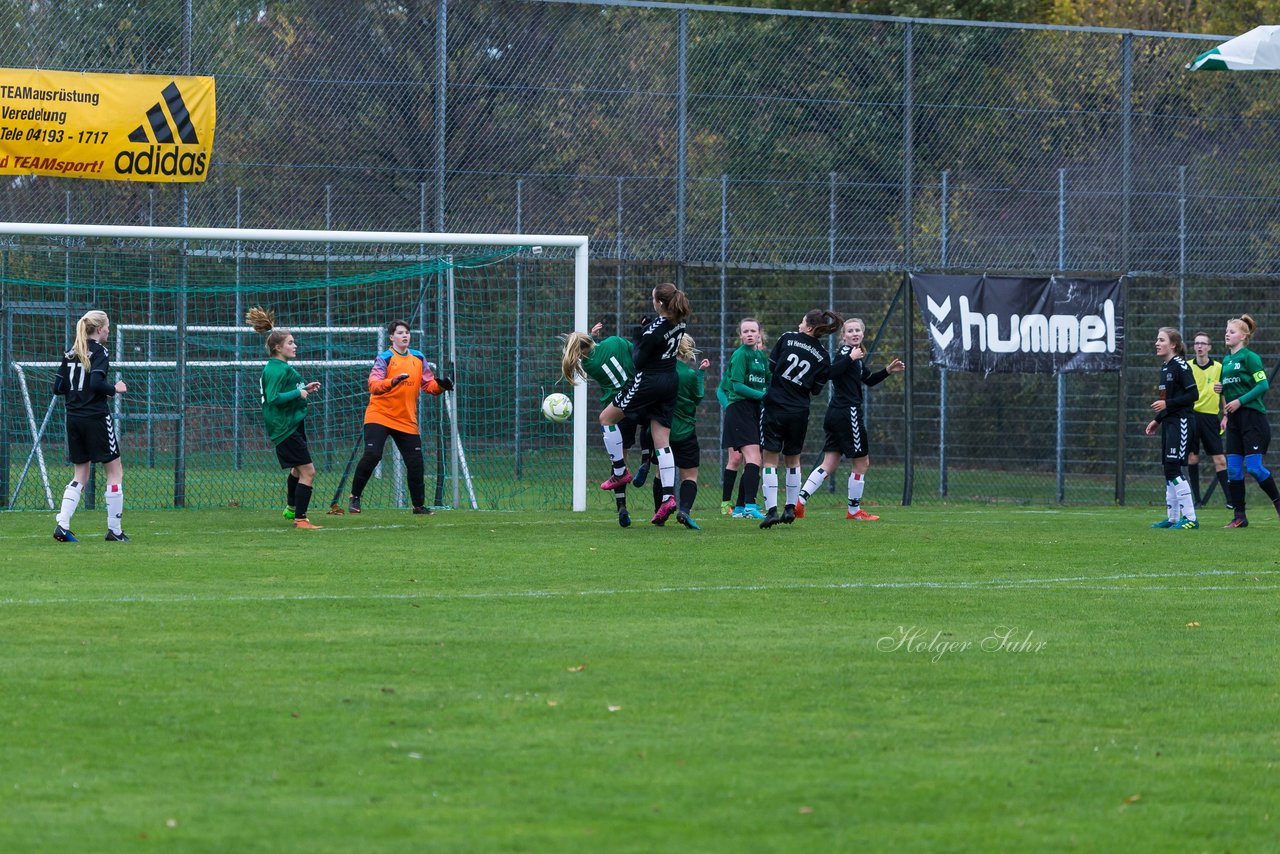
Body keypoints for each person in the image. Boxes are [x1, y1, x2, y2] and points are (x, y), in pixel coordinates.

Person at [597, 282, 691, 525]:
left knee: (606, 419)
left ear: (659, 302)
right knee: (663, 442)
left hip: (649, 381)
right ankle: (669, 497)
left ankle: (620, 471)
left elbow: (639, 360)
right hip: (671, 382)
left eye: (653, 298)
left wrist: (639, 334)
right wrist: (648, 328)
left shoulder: (652, 330)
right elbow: (660, 336)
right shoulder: (679, 321)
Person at [796, 317, 904, 521]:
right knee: (862, 463)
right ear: (843, 336)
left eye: (857, 330)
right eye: (850, 330)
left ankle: (799, 503)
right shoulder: (846, 354)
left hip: (836, 414)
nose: (854, 333)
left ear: (863, 334)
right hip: (848, 413)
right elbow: (830, 373)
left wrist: (888, 371)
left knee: (829, 463)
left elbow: (868, 380)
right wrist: (850, 358)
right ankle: (854, 511)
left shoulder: (856, 357)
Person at [347, 318, 453, 516]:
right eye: (400, 333)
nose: (405, 335)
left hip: (406, 419)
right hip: (380, 414)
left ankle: (418, 506)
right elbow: (373, 385)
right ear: (391, 337)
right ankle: (354, 497)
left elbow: (428, 385)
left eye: (407, 332)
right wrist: (393, 381)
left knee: (415, 462)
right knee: (373, 455)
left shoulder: (418, 358)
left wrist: (441, 386)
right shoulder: (385, 358)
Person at [758, 309, 843, 529]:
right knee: (793, 460)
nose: (799, 323)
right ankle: (790, 507)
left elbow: (772, 367)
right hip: (798, 411)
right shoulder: (823, 356)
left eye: (802, 321)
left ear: (810, 327)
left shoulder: (787, 339)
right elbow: (815, 390)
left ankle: (771, 511)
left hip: (775, 406)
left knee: (769, 460)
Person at [52, 310, 129, 542]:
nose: (108, 330)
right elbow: (96, 382)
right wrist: (114, 389)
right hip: (95, 418)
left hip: (74, 418)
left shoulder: (71, 351)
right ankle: (114, 531)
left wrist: (83, 393)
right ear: (98, 329)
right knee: (115, 472)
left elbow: (58, 387)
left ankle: (62, 525)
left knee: (81, 474)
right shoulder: (100, 351)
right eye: (107, 326)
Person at [247, 306, 324, 530]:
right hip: (284, 427)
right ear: (277, 347)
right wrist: (297, 393)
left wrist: (305, 389)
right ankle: (301, 519)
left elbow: (287, 391)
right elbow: (273, 398)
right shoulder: (275, 369)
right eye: (290, 342)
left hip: (292, 424)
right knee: (309, 472)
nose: (295, 345)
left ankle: (292, 509)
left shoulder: (281, 367)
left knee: (296, 470)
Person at [561, 321, 640, 527]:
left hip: (616, 410)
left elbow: (590, 353)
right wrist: (592, 337)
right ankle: (648, 466)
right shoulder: (615, 341)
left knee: (619, 460)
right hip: (639, 397)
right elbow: (635, 352)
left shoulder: (588, 365)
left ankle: (621, 506)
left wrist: (589, 338)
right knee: (655, 437)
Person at [1215, 314, 1280, 528]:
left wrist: (1239, 402)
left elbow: (1262, 386)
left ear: (1244, 336)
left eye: (1231, 331)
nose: (1227, 334)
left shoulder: (1250, 357)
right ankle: (1239, 517)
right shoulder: (1226, 360)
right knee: (1233, 470)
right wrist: (1223, 394)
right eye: (1226, 331)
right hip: (1233, 420)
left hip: (1252, 419)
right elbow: (1231, 391)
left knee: (1253, 467)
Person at [651, 335, 709, 529]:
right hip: (685, 431)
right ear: (687, 349)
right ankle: (684, 510)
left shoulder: (659, 371)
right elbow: (698, 397)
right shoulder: (689, 374)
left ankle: (660, 511)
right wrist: (701, 374)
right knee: (690, 476)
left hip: (662, 431)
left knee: (661, 472)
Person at [1144, 327, 1199, 530]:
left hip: (1182, 421)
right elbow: (1166, 401)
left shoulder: (1181, 366)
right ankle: (1173, 518)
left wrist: (1167, 406)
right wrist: (1157, 420)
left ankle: (1191, 519)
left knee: (1174, 467)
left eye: (1161, 340)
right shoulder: (1165, 368)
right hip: (1169, 422)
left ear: (1173, 345)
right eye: (1157, 339)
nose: (1157, 343)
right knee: (1168, 468)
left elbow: (1194, 396)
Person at [717, 318, 769, 520]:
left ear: (759, 334)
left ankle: (740, 508)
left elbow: (768, 382)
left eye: (753, 331)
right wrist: (763, 396)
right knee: (752, 459)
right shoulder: (740, 355)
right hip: (740, 410)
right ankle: (748, 505)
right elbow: (736, 386)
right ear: (740, 335)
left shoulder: (761, 357)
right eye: (745, 331)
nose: (749, 334)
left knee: (753, 460)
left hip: (755, 411)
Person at [1187, 331, 1229, 509]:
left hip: (1211, 418)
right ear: (1194, 346)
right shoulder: (1187, 366)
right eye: (1197, 343)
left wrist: (1226, 415)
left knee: (1220, 459)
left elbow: (1225, 391)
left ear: (1209, 347)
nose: (1200, 346)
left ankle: (1231, 500)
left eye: (1203, 343)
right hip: (1191, 416)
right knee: (1192, 457)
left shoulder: (1219, 367)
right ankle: (1197, 501)